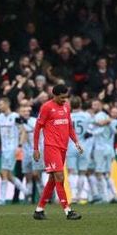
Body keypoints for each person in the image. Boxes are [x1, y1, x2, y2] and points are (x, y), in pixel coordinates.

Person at [32, 84, 83, 220]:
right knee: (60, 177)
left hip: (63, 148)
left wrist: (76, 142)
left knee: (52, 180)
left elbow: (69, 126)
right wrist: (36, 149)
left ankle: (39, 210)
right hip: (51, 147)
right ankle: (68, 211)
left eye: (66, 97)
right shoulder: (46, 107)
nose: (64, 100)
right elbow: (37, 129)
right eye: (62, 98)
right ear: (54, 96)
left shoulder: (66, 107)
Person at [0, 98, 29, 205]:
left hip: (12, 149)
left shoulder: (15, 116)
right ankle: (26, 191)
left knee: (4, 172)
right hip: (4, 150)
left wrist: (20, 146)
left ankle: (2, 199)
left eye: (1, 104)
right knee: (6, 174)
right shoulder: (0, 117)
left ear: (7, 104)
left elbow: (23, 131)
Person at [66, 96, 93, 204]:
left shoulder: (68, 116)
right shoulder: (86, 115)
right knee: (82, 172)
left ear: (70, 106)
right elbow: (90, 129)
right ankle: (81, 194)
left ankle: (74, 196)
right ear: (80, 104)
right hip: (83, 145)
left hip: (71, 145)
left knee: (72, 172)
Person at [20, 105, 45, 202]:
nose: (26, 113)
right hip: (25, 151)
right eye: (23, 111)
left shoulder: (34, 121)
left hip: (37, 150)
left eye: (27, 111)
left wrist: (26, 124)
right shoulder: (18, 122)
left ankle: (44, 195)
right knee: (27, 175)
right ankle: (29, 197)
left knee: (36, 174)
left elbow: (38, 132)